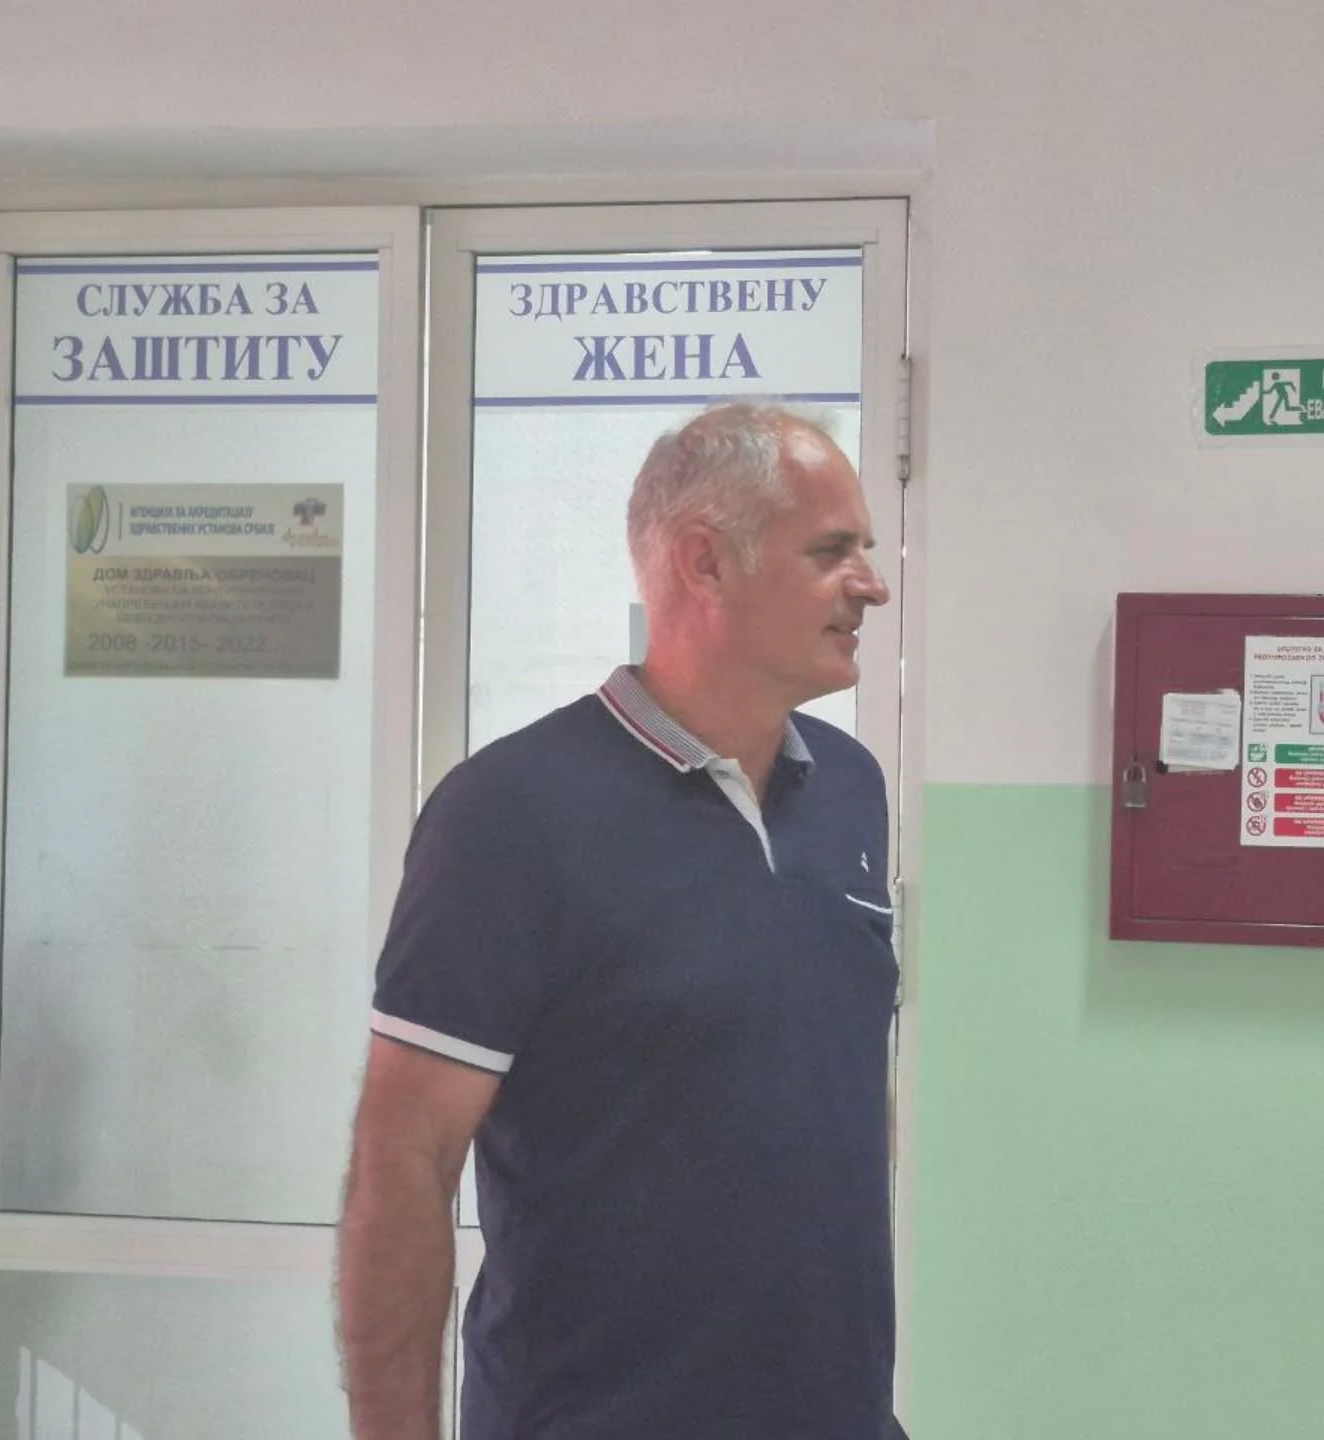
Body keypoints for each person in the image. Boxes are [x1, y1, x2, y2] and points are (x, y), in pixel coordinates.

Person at [337, 403, 905, 1439]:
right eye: (832, 552)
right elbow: (403, 1165)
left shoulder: (851, 790)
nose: (871, 584)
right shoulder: (510, 815)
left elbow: (831, 1089)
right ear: (705, 563)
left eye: (864, 549)